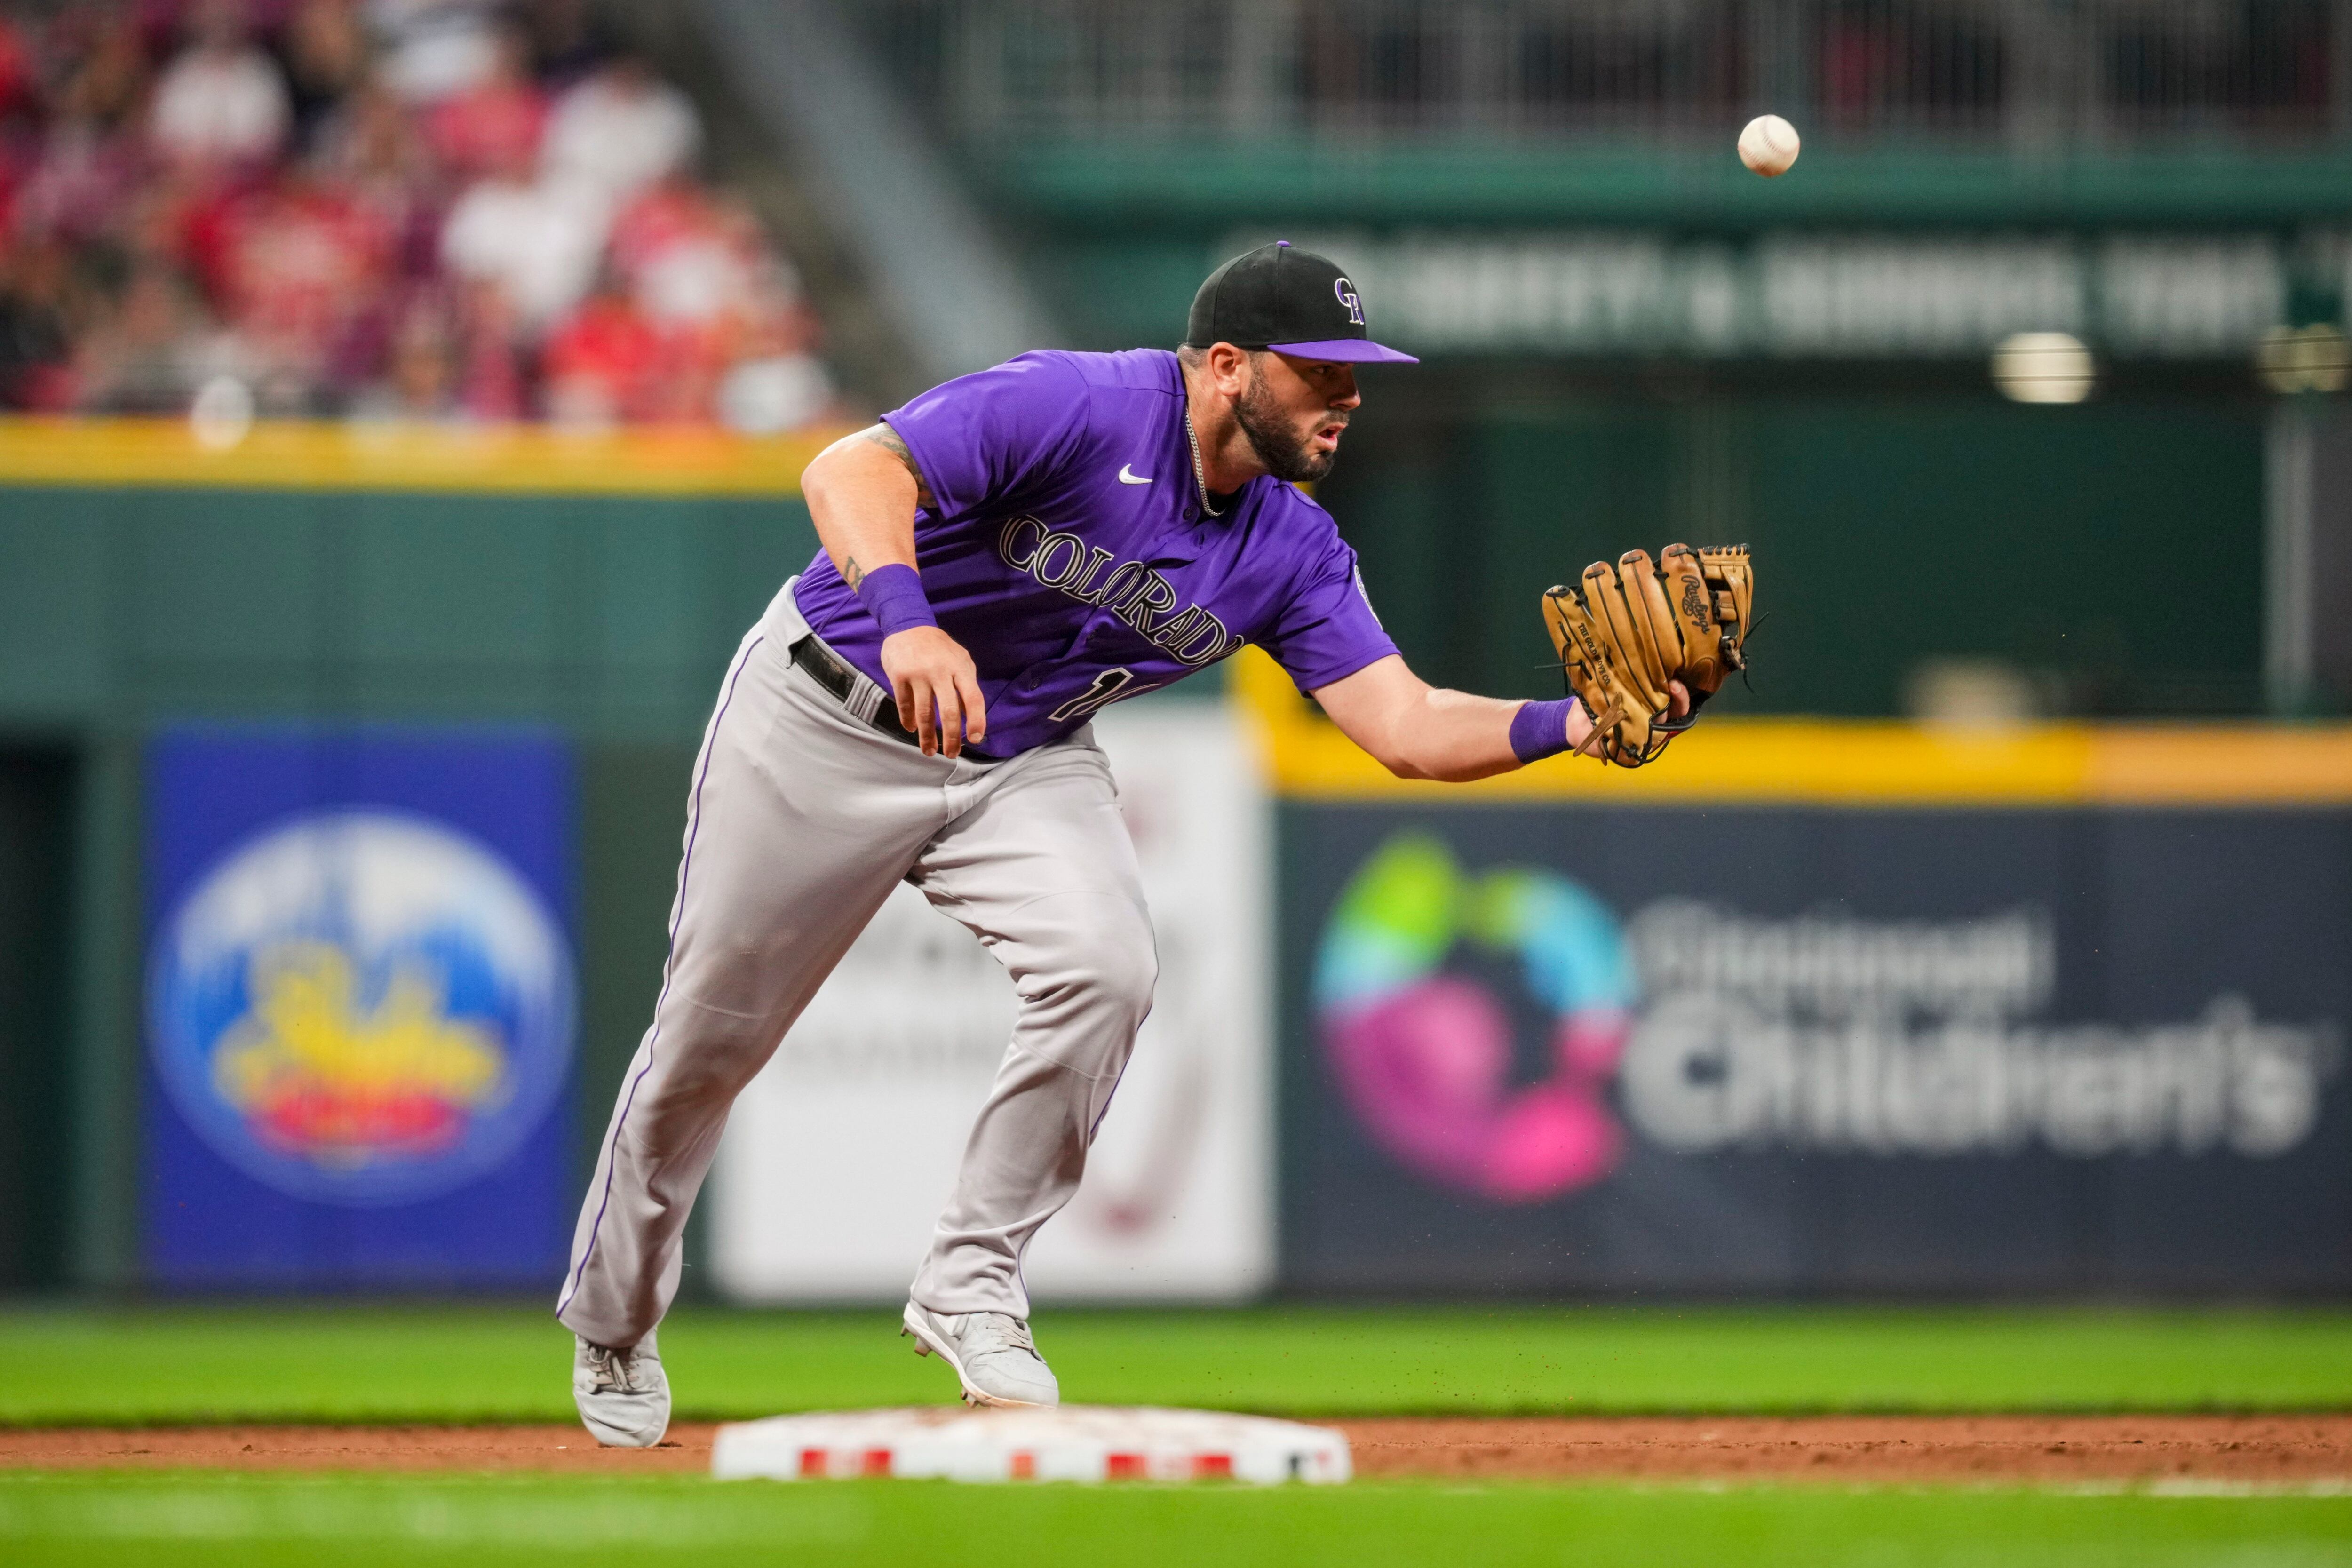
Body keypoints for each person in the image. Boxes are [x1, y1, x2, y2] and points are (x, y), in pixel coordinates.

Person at [554, 243, 1691, 1446]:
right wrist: (907, 622)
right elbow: (849, 468)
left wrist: (1571, 723)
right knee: (706, 1042)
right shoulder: (1081, 403)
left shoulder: (1292, 547)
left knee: (1109, 966)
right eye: (1320, 375)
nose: (1347, 400)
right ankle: (617, 1319)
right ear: (1224, 367)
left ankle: (970, 1281)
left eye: (1356, 377)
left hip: (1024, 755)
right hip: (828, 711)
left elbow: (1402, 724)